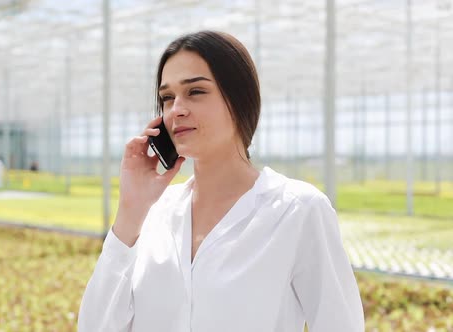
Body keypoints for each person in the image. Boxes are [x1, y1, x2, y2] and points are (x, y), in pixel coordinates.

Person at [78, 31, 364, 332]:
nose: (177, 109)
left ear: (239, 99)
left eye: (196, 92)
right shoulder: (153, 215)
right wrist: (131, 209)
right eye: (167, 98)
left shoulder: (297, 210)